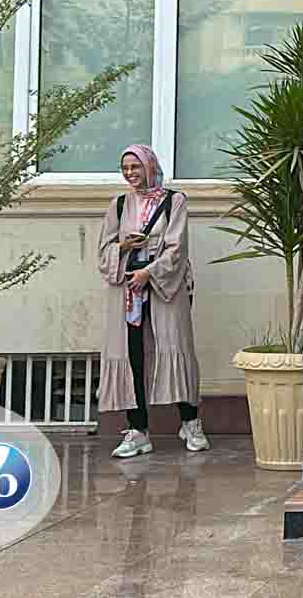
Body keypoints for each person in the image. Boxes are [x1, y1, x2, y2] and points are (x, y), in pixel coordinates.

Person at [98, 144, 207, 458]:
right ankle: (138, 430)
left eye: (136, 166)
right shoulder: (119, 205)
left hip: (163, 286)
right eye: (125, 168)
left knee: (176, 347)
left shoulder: (175, 201)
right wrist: (123, 246)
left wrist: (149, 272)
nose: (130, 173)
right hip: (128, 288)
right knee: (132, 353)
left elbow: (177, 248)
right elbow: (104, 250)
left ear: (150, 166)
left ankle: (190, 422)